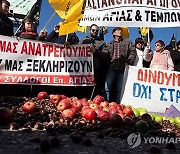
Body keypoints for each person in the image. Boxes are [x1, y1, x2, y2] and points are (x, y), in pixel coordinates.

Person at [104, 27, 136, 103]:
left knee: (120, 89)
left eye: (120, 30)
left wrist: (128, 61)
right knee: (107, 87)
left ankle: (119, 105)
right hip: (112, 67)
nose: (120, 31)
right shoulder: (109, 43)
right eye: (118, 30)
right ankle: (106, 103)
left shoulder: (127, 42)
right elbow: (106, 55)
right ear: (113, 33)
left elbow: (133, 52)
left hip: (122, 68)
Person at [79, 24, 109, 97]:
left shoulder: (102, 42)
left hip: (96, 69)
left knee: (94, 89)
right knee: (82, 87)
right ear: (89, 31)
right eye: (93, 30)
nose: (95, 32)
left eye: (96, 31)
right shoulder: (83, 40)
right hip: (84, 68)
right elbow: (76, 51)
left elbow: (105, 55)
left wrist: (96, 51)